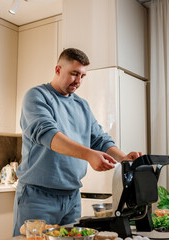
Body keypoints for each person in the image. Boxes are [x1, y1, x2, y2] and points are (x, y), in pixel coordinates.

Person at [12, 48, 142, 236]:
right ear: (58, 69)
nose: (78, 81)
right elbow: (48, 134)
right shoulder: (37, 96)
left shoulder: (82, 105)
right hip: (37, 197)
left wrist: (123, 158)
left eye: (82, 76)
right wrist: (89, 154)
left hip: (72, 197)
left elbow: (99, 138)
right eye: (74, 74)